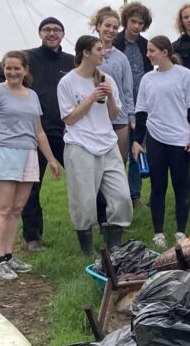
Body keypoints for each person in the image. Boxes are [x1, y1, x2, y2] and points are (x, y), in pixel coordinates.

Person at [0, 50, 62, 281]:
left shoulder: (32, 96)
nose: (12, 72)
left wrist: (50, 159)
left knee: (18, 208)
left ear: (26, 70)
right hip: (2, 153)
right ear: (3, 70)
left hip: (28, 154)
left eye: (17, 68)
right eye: (8, 68)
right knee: (4, 208)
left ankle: (9, 257)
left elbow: (39, 131)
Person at [0, 16, 74, 251]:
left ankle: (98, 225)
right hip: (35, 132)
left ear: (63, 34)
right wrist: (20, 93)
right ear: (40, 33)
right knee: (31, 188)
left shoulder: (71, 61)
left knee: (83, 178)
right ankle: (32, 237)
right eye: (47, 30)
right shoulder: (27, 57)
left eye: (57, 30)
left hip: (65, 130)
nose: (52, 33)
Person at [57, 36, 133, 257]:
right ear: (85, 52)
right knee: (85, 200)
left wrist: (109, 96)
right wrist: (91, 98)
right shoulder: (68, 82)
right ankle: (87, 248)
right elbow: (69, 119)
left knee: (121, 196)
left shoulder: (106, 78)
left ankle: (114, 245)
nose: (104, 53)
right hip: (80, 145)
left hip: (107, 143)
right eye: (99, 49)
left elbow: (113, 114)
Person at [132, 35, 190, 249]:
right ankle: (158, 233)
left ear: (165, 52)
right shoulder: (147, 79)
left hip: (180, 139)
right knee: (158, 186)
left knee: (181, 187)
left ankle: (181, 231)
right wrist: (137, 141)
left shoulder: (185, 75)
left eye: (151, 50)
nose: (148, 54)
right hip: (155, 138)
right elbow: (141, 112)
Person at [90, 7, 136, 188]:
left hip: (119, 117)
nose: (110, 30)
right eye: (107, 25)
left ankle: (119, 204)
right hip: (95, 116)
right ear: (98, 26)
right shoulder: (88, 53)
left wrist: (131, 115)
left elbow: (127, 90)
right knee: (97, 162)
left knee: (118, 162)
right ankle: (99, 206)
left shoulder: (121, 58)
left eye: (115, 27)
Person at [115, 2, 152, 206]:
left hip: (141, 104)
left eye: (141, 23)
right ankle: (119, 194)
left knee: (138, 149)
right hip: (119, 105)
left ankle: (135, 195)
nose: (137, 26)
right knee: (120, 153)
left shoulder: (146, 45)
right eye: (133, 21)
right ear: (126, 21)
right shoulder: (115, 42)